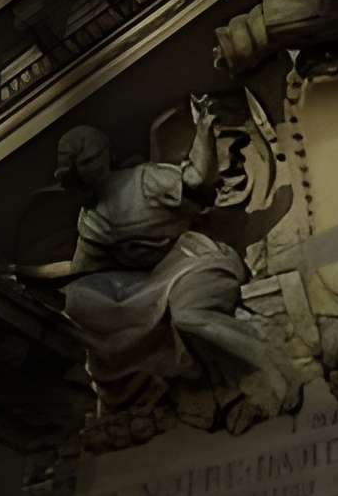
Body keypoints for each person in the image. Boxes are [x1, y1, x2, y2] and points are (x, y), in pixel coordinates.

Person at [45, 102, 298, 440]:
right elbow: (83, 273)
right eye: (81, 165)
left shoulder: (144, 180)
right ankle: (150, 393)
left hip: (197, 259)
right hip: (152, 282)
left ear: (106, 156)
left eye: (92, 159)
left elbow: (195, 177)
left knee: (188, 317)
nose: (90, 169)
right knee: (81, 301)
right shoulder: (91, 219)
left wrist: (204, 131)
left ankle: (272, 367)